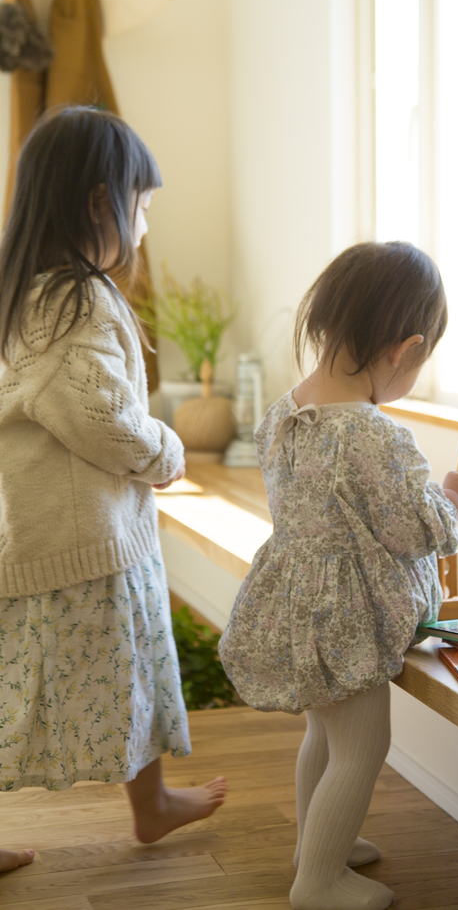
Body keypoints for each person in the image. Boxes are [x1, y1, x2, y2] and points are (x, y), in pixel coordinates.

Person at [219, 241, 458, 910]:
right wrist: (453, 495)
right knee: (363, 745)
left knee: (324, 732)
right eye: (418, 364)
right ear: (404, 348)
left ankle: (318, 843)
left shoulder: (284, 412)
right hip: (346, 621)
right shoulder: (374, 434)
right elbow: (407, 528)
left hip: (297, 603)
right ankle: (317, 880)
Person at [0, 106, 226, 855]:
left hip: (53, 528)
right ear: (100, 202)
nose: (147, 226)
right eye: (143, 207)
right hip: (77, 542)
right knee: (89, 675)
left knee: (127, 665)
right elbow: (103, 420)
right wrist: (167, 451)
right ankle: (151, 801)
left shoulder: (26, 292)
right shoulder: (72, 301)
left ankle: (152, 800)